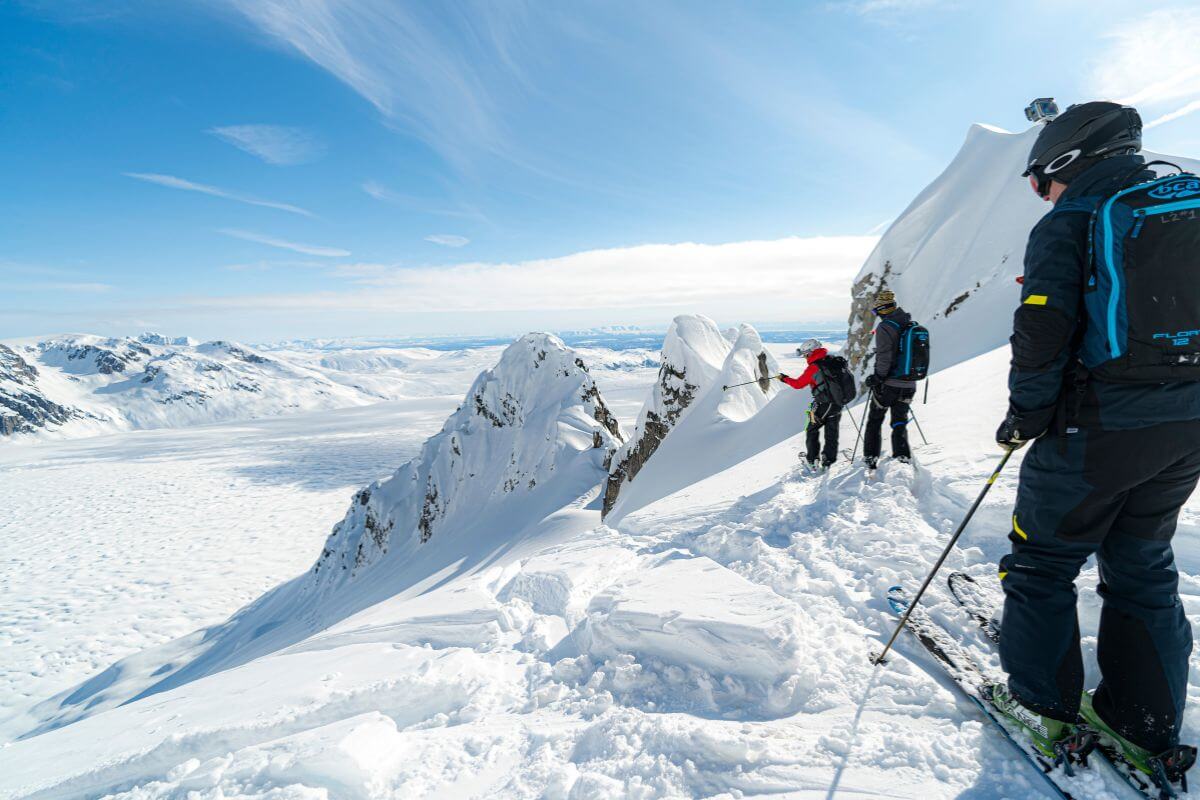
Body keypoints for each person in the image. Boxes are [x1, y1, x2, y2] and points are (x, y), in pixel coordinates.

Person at [990, 100, 1200, 784]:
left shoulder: (1071, 221)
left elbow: (1043, 334)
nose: (1038, 191)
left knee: (1042, 564)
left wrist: (1026, 415)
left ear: (1067, 161)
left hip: (1099, 428)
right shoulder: (1186, 209)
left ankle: (1043, 707)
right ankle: (1146, 723)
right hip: (1188, 428)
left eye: (1039, 177)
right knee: (1142, 563)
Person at [862, 290, 915, 469]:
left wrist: (877, 377)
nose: (876, 315)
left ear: (883, 309)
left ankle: (870, 458)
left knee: (875, 419)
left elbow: (885, 356)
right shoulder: (908, 323)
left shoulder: (885, 327)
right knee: (899, 419)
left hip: (890, 384)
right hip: (909, 382)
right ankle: (902, 457)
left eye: (876, 312)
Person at [779, 339, 841, 469]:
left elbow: (798, 384)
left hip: (823, 404)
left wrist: (784, 378)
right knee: (832, 432)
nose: (805, 357)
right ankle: (828, 460)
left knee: (811, 430)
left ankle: (812, 460)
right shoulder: (832, 360)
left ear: (811, 352)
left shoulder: (814, 367)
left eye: (806, 354)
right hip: (837, 402)